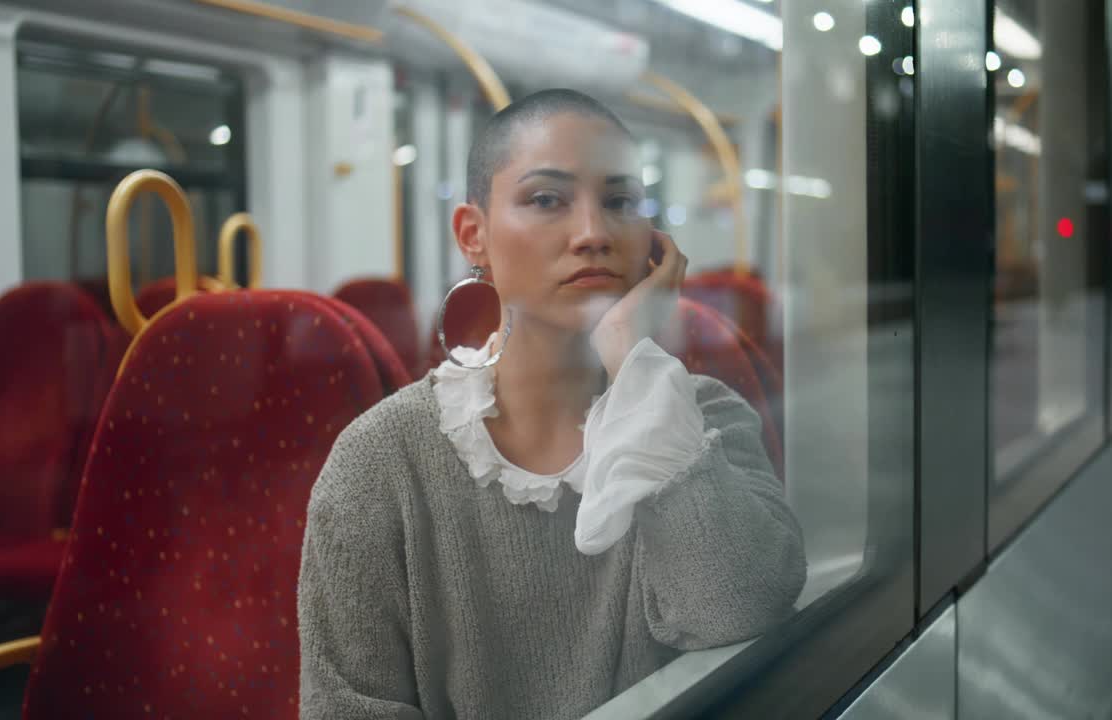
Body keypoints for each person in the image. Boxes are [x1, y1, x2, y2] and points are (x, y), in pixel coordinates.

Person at [298, 88, 806, 720]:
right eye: (547, 199)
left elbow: (739, 607)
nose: (593, 232)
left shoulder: (703, 422)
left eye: (620, 202)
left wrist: (635, 361)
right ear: (473, 235)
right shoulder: (379, 463)